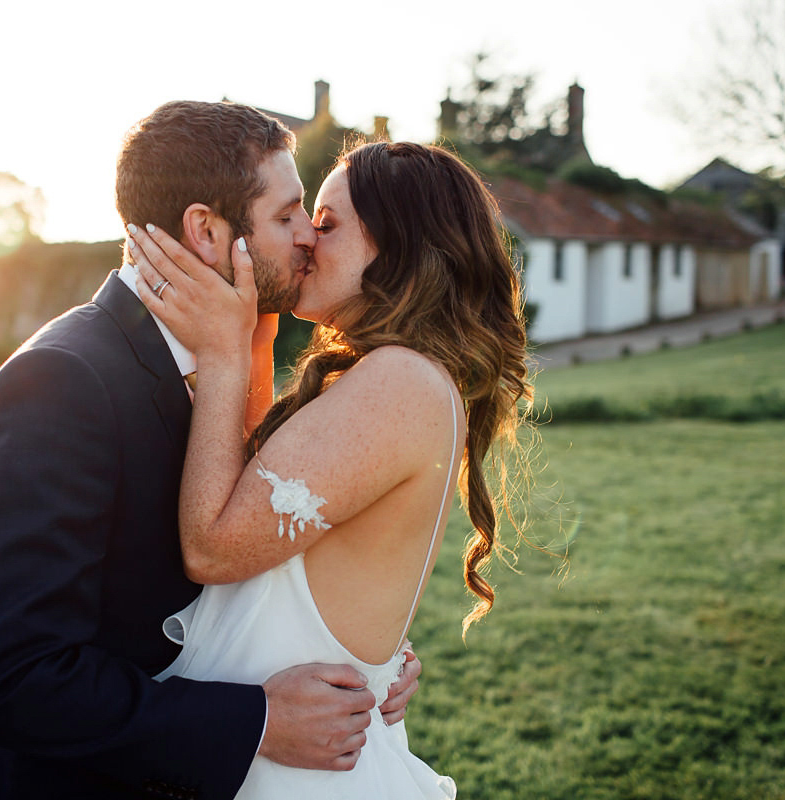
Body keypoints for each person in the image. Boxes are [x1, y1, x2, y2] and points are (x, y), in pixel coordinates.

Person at [0, 102, 419, 800]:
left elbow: (256, 558)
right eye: (288, 216)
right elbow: (10, 678)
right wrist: (256, 721)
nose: (306, 240)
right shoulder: (63, 379)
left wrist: (369, 658)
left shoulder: (234, 359)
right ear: (207, 230)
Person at [125, 140, 532, 798]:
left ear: (398, 246)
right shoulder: (396, 376)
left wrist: (222, 352)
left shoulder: (399, 381)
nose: (308, 239)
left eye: (328, 221)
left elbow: (212, 546)